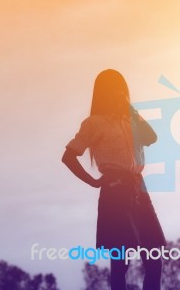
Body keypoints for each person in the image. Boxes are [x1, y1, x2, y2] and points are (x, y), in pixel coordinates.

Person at [62, 69, 166, 290]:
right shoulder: (94, 123)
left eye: (122, 87)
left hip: (139, 188)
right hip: (115, 190)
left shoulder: (131, 121)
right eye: (113, 88)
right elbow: (68, 156)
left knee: (154, 254)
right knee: (121, 262)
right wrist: (93, 181)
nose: (119, 92)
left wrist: (129, 108)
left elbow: (152, 137)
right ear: (103, 93)